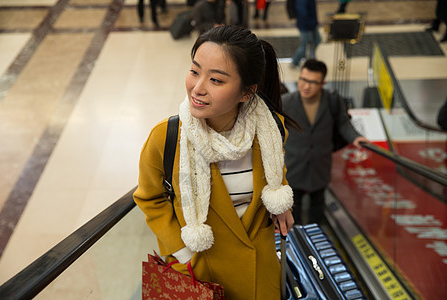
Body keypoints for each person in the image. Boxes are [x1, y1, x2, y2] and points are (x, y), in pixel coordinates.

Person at [134, 25, 295, 299]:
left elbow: (275, 174)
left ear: (246, 92)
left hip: (261, 272)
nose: (197, 88)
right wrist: (185, 254)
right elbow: (150, 198)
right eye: (195, 71)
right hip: (201, 276)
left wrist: (282, 204)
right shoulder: (167, 137)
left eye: (216, 80)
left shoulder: (270, 130)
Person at [282, 59, 368, 224]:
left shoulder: (331, 101)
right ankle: (297, 243)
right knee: (293, 212)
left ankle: (318, 239)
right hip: (294, 166)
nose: (306, 86)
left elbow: (343, 123)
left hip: (320, 165)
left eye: (313, 82)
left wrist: (356, 137)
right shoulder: (286, 102)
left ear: (323, 83)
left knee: (317, 209)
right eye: (303, 80)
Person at [290, 0, 321, 68]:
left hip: (312, 24)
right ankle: (295, 62)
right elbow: (303, 13)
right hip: (305, 26)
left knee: (317, 40)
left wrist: (314, 23)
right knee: (304, 46)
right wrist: (310, 25)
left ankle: (311, 59)